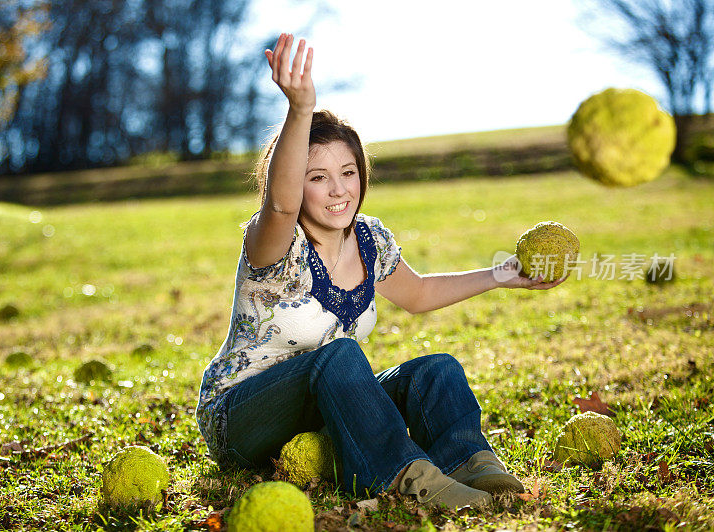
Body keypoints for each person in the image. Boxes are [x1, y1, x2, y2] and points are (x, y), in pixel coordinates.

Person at [195, 33, 566, 509]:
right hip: (242, 417)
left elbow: (420, 294)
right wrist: (300, 108)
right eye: (317, 177)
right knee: (341, 355)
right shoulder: (273, 243)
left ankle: (468, 463)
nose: (337, 191)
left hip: (320, 413)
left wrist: (503, 274)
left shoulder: (370, 239)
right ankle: (402, 478)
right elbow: (282, 205)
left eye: (348, 173)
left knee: (436, 370)